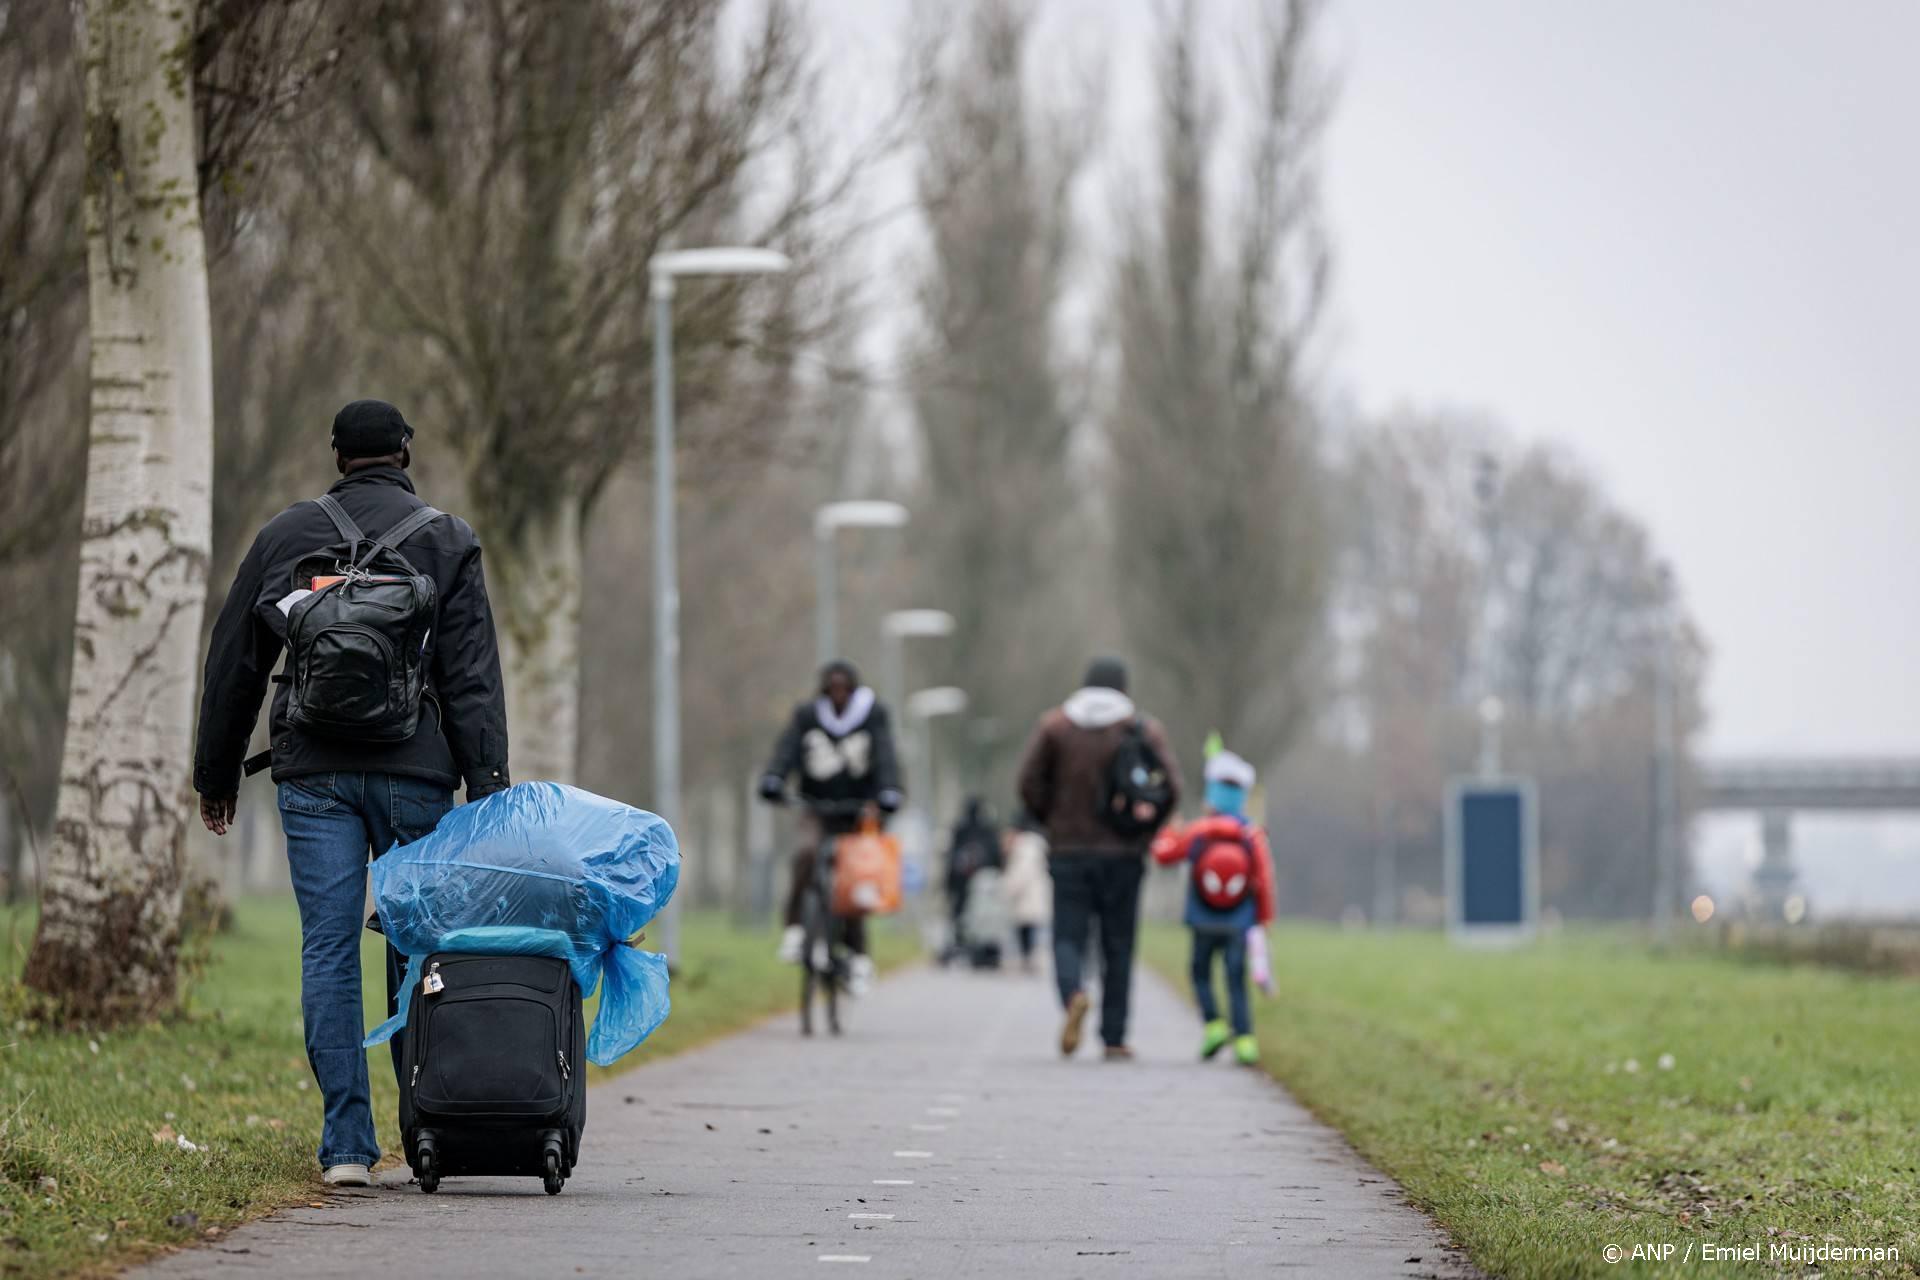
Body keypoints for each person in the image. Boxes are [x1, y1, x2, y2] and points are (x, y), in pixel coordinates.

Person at [193, 399, 510, 1188]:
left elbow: (234, 660)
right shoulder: (447, 538)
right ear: (407, 452)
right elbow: (470, 674)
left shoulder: (285, 536)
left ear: (337, 455)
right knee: (416, 948)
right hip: (418, 772)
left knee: (329, 948)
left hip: (314, 773)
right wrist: (489, 784)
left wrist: (216, 772)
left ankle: (345, 1147)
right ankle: (427, 1127)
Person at [1016, 656, 1182, 1060]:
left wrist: (1050, 821)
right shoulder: (1142, 728)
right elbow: (1172, 788)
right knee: (1119, 945)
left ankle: (1074, 993)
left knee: (1068, 936)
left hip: (1069, 851)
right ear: (1124, 687)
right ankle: (1114, 1037)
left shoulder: (1055, 727)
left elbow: (1027, 783)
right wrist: (1143, 830)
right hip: (1124, 855)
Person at [758, 660, 902, 996]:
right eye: (832, 690)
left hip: (857, 809)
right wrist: (775, 778)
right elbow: (788, 749)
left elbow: (885, 756)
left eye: (844, 690)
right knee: (807, 853)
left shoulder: (873, 715)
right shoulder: (808, 715)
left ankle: (857, 952)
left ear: (853, 692)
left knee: (855, 879)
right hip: (816, 806)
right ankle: (796, 929)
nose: (838, 697)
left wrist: (889, 791)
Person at [1151, 750, 1275, 1065]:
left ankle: (1214, 1025)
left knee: (1200, 973)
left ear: (1211, 798)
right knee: (1235, 979)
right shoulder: (1252, 835)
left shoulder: (1197, 832)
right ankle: (1245, 1040)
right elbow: (1264, 878)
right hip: (1239, 921)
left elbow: (1164, 855)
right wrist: (1262, 919)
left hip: (1202, 920)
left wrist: (1168, 830)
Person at [944, 796, 1001, 960]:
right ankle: (985, 950)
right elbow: (996, 857)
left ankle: (964, 947)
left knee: (962, 916)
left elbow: (951, 859)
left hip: (962, 884)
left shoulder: (960, 830)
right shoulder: (988, 830)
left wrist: (948, 885)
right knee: (984, 919)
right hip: (984, 885)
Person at [999, 812, 1052, 974]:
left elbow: (1022, 873)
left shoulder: (1026, 847)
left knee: (1029, 930)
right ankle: (1031, 960)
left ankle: (1030, 960)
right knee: (1032, 930)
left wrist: (1008, 887)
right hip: (1034, 896)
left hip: (1028, 897)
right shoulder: (1036, 844)